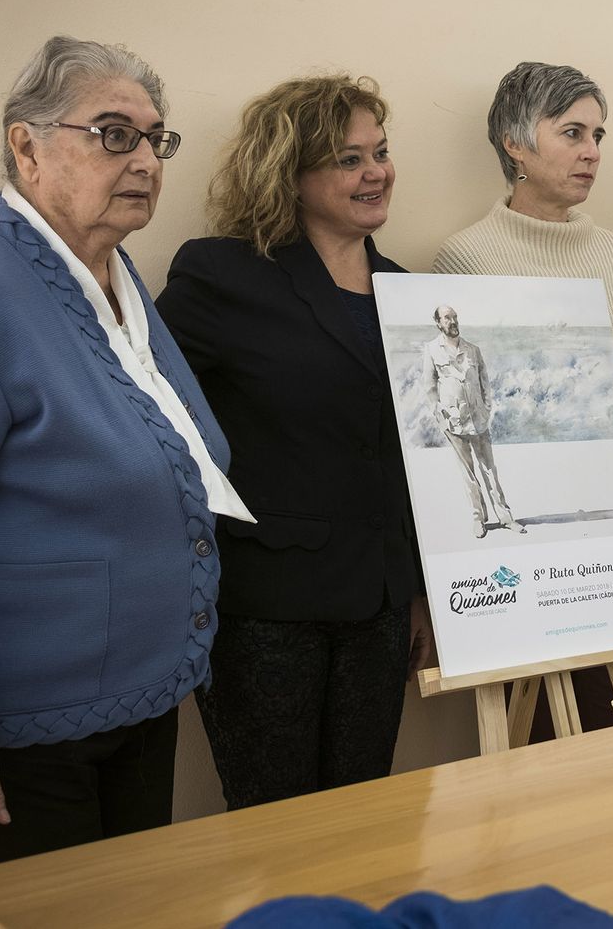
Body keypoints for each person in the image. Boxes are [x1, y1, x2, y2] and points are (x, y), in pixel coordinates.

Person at [0, 35, 250, 903]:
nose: (146, 160)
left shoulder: (114, 280)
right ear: (27, 146)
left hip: (136, 710)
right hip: (14, 741)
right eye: (114, 134)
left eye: (155, 138)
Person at [156, 75, 428, 810]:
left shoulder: (408, 290)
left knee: (361, 819)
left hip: (378, 607)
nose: (376, 173)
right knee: (273, 828)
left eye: (380, 152)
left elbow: (407, 458)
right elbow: (150, 414)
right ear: (290, 174)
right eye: (348, 159)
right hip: (265, 607)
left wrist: (416, 591)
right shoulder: (222, 273)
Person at [434, 61, 613, 731]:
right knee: (538, 741)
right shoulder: (467, 258)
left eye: (598, 135)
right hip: (520, 546)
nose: (592, 152)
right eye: (572, 133)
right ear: (514, 144)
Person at [421, 304, 525, 537]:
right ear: (438, 323)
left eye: (455, 317)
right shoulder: (431, 350)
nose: (453, 321)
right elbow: (429, 388)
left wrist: (486, 409)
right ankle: (479, 520)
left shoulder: (473, 350)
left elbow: (485, 382)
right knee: (468, 475)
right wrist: (440, 417)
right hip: (453, 423)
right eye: (447, 318)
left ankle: (506, 518)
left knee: (490, 470)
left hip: (478, 420)